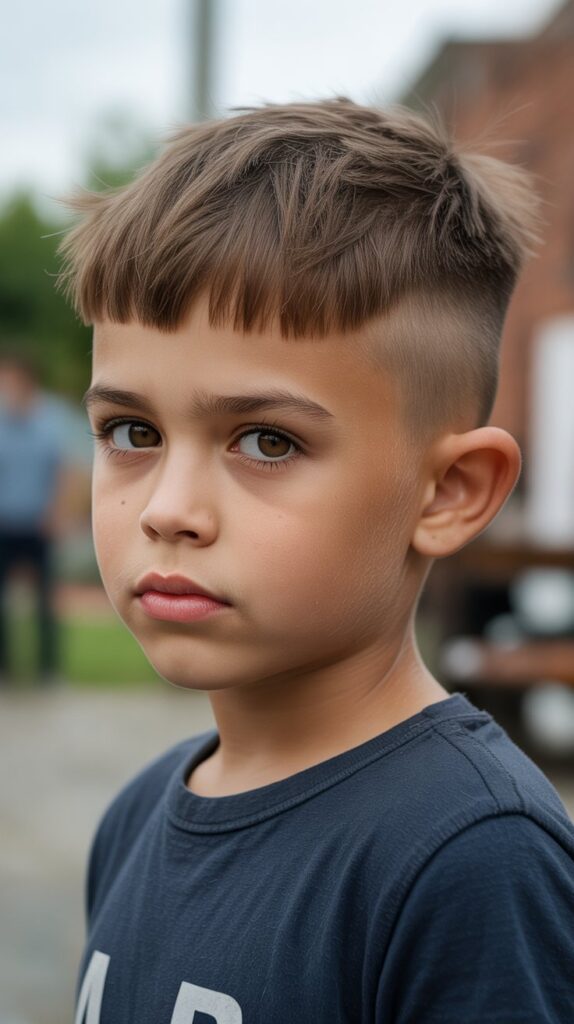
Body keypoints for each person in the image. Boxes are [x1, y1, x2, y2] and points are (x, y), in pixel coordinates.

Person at [59, 100, 574, 1023]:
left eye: (266, 441)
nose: (169, 510)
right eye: (132, 432)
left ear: (448, 492)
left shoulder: (471, 860)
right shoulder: (135, 818)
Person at [0, 352, 66, 684]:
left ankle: (47, 670)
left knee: (45, 601)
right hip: (4, 521)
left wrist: (58, 511)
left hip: (40, 524)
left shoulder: (51, 420)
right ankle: (5, 669)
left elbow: (67, 471)